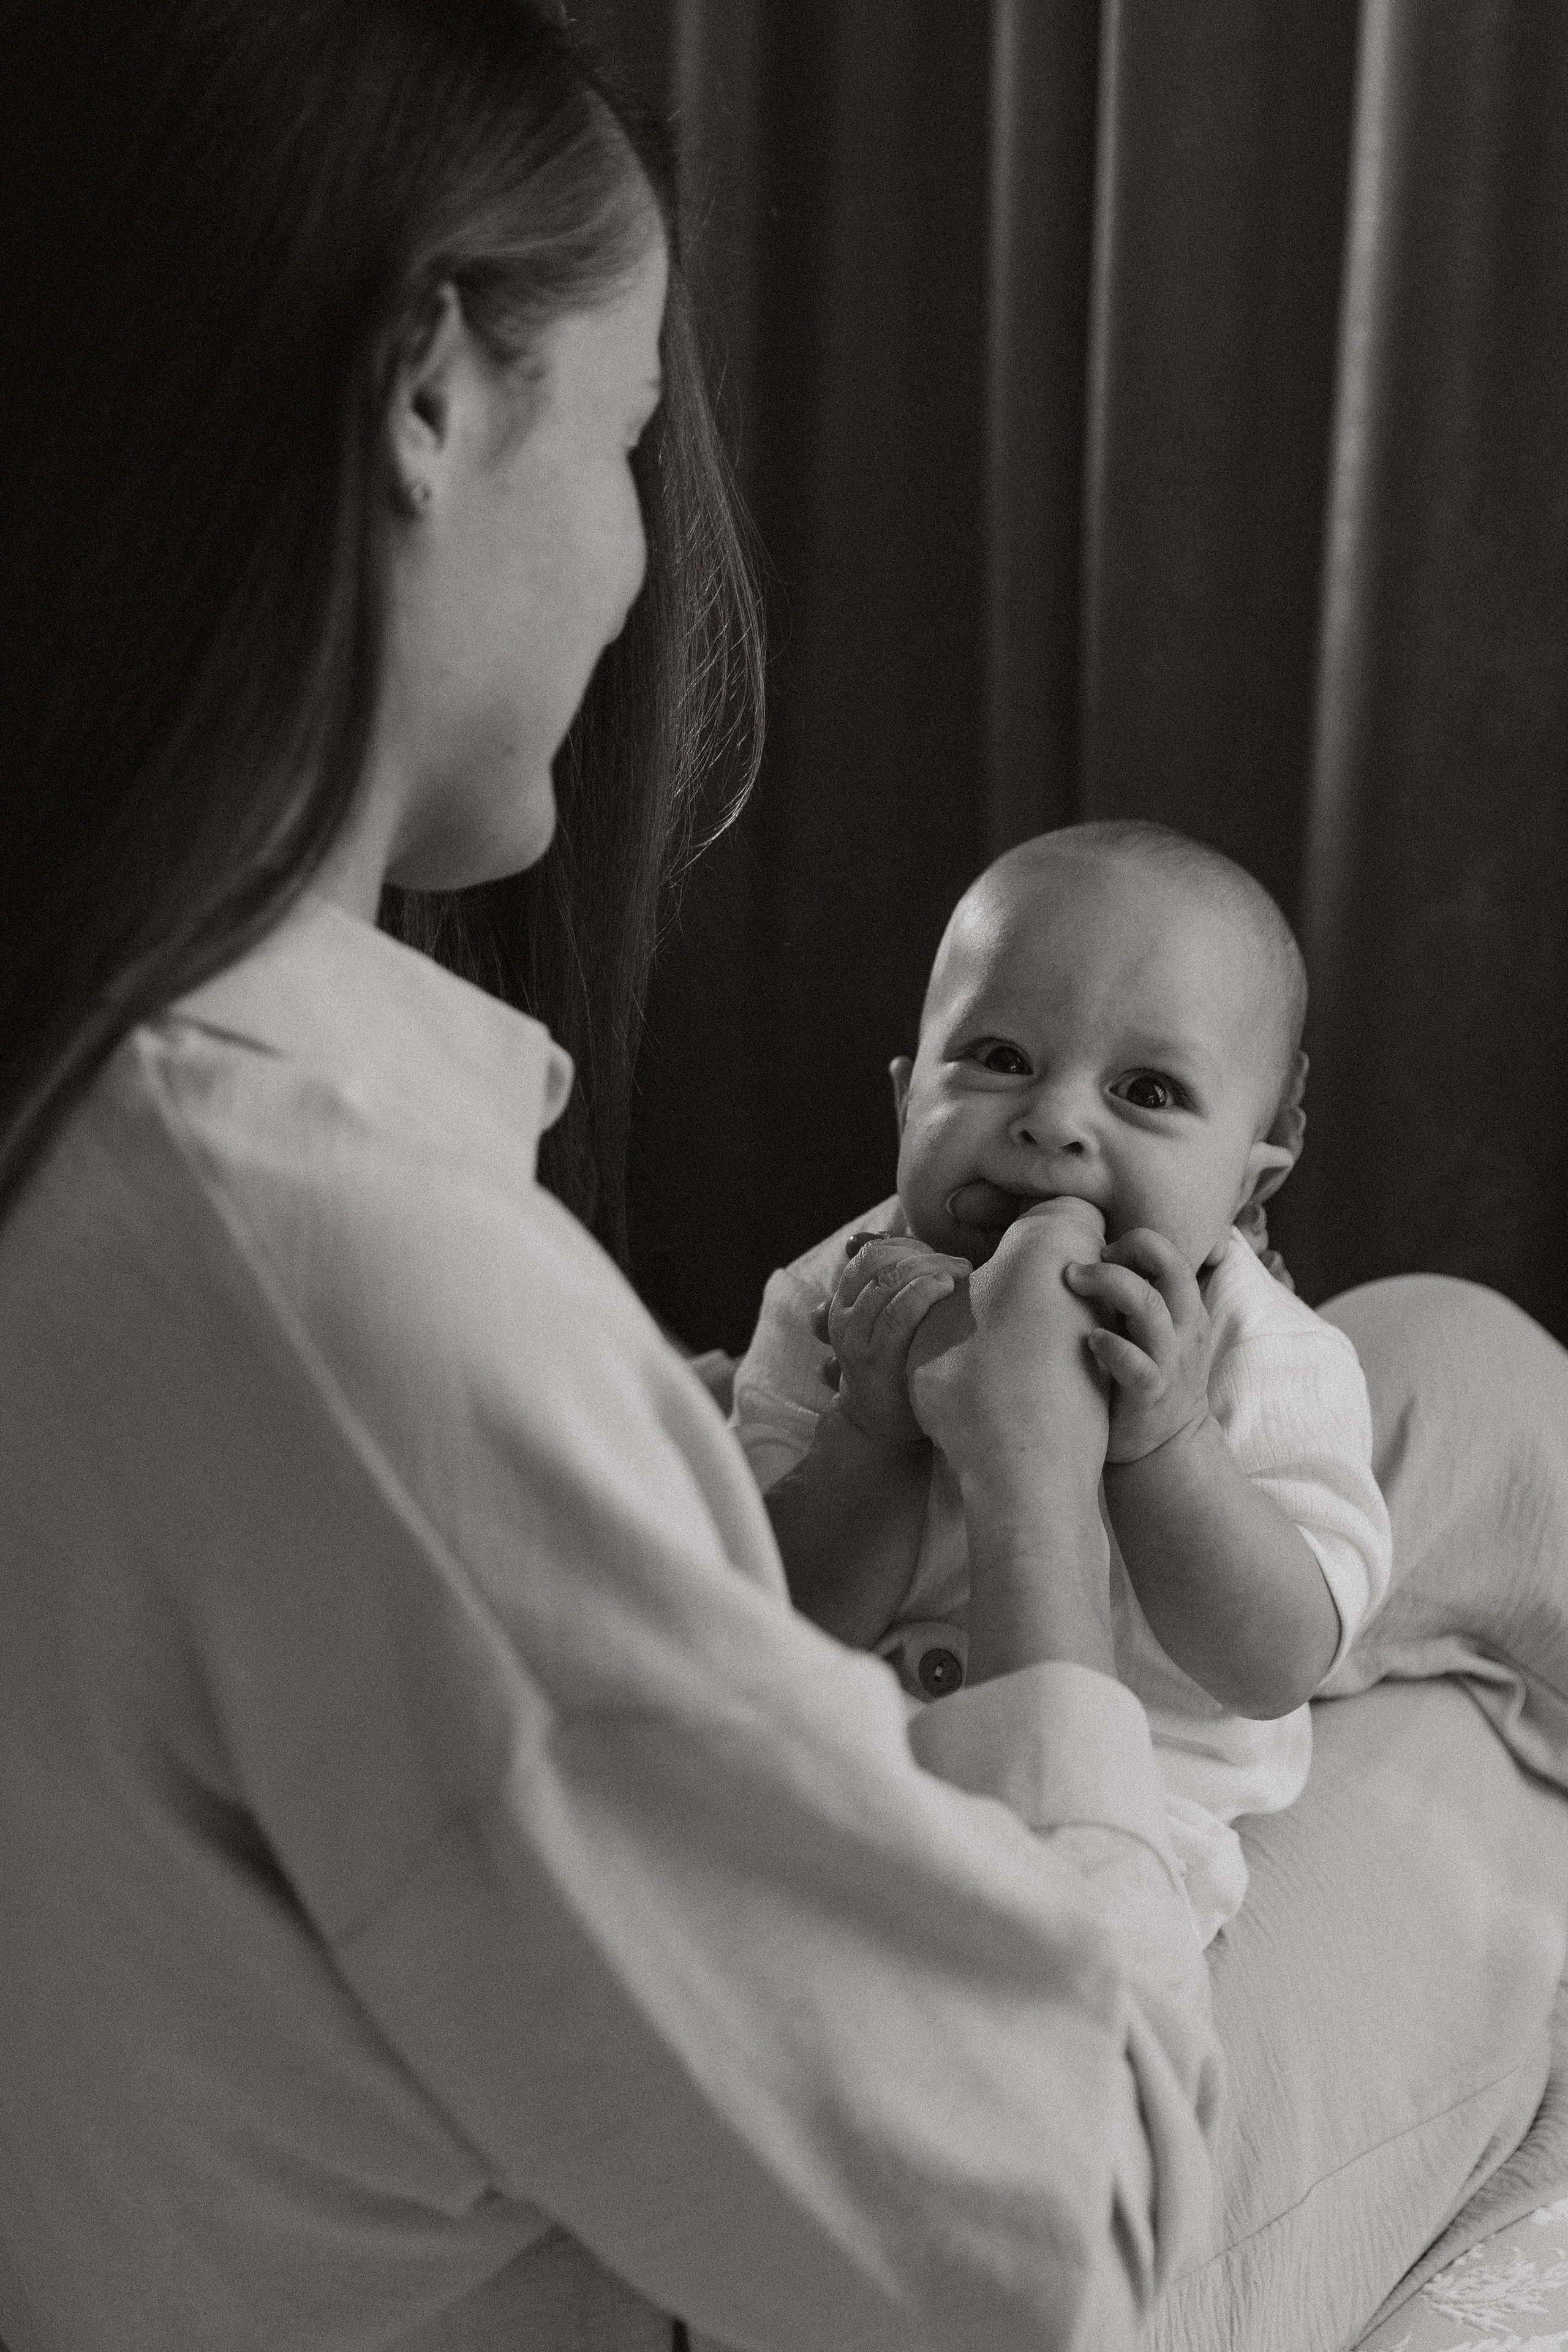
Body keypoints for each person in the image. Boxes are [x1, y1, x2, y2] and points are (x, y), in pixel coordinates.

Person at [1, 11, 1564, 2352]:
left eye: (1152, 1098)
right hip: (914, 2230)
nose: (644, 561)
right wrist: (1026, 1498)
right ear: (429, 406)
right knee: (1475, 1752)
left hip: (737, 1937)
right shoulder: (381, 1308)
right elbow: (1054, 2239)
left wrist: (1132, 1461)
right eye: (627, 439)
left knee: (1447, 1355)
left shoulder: (120, 1098)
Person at [733, 821, 1392, 1943]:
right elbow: (771, 1617)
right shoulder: (834, 1303)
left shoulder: (1263, 1355)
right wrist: (871, 1431)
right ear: (907, 1102)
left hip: (1138, 1808)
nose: (1053, 1122)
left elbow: (1276, 1663)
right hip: (842, 1764)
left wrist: (1167, 1445)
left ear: (1249, 1182)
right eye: (1000, 1059)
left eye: (1148, 1090)